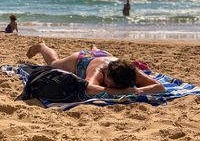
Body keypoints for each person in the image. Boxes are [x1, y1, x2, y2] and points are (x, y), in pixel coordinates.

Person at [26, 43, 165, 97]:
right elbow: (88, 88)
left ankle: (95, 48)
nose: (109, 86)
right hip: (81, 60)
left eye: (115, 86)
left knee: (101, 53)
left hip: (104, 55)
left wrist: (138, 90)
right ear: (107, 73)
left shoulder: (130, 72)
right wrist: (123, 91)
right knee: (53, 63)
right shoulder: (97, 71)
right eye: (110, 83)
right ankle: (41, 47)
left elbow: (160, 87)